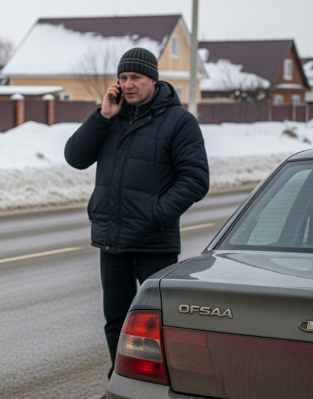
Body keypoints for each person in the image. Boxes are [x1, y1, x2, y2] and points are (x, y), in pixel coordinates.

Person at [63, 48, 209, 384]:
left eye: (136, 78)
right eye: (123, 77)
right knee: (117, 321)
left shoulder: (179, 122)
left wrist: (155, 215)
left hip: (153, 242)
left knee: (160, 323)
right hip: (112, 240)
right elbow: (75, 157)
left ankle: (167, 386)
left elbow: (196, 179)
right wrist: (102, 116)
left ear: (153, 80)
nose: (128, 84)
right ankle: (122, 384)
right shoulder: (111, 117)